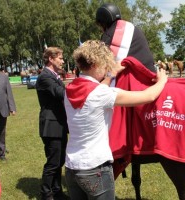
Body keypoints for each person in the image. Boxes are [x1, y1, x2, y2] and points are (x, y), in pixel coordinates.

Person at [64, 40, 167, 200]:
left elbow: (95, 89)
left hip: (71, 167)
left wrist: (112, 74)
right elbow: (149, 96)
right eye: (105, 66)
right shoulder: (102, 94)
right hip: (96, 168)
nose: (106, 70)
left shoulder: (69, 89)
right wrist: (163, 80)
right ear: (96, 64)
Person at [35, 47, 69, 200]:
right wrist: (81, 87)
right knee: (53, 162)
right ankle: (46, 193)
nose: (62, 61)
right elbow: (60, 93)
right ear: (51, 59)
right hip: (51, 125)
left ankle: (56, 191)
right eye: (60, 58)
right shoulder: (45, 76)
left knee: (60, 160)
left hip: (59, 124)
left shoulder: (54, 75)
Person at [96, 3, 156, 72]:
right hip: (150, 73)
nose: (100, 29)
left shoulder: (109, 34)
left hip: (135, 77)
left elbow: (101, 62)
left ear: (103, 22)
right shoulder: (133, 28)